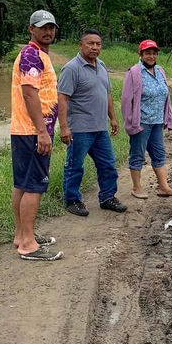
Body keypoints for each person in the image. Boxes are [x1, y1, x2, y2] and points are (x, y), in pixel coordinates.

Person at [10, 10, 64, 261]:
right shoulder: (31, 55)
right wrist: (42, 132)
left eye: (51, 27)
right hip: (33, 132)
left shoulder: (37, 54)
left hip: (24, 131)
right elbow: (30, 94)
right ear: (31, 29)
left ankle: (22, 235)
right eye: (42, 27)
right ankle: (28, 245)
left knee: (22, 184)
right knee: (34, 185)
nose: (48, 32)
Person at [57, 29, 127, 216]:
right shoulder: (71, 68)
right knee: (75, 166)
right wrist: (64, 128)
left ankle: (107, 197)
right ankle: (72, 200)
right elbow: (62, 98)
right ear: (80, 45)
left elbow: (107, 93)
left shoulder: (101, 65)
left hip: (100, 128)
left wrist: (113, 118)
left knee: (108, 165)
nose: (95, 47)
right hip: (80, 129)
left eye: (98, 44)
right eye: (90, 43)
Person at [120, 40, 172, 199]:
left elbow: (165, 95)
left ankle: (164, 187)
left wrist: (167, 117)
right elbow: (126, 100)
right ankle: (137, 188)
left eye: (154, 53)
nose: (151, 56)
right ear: (140, 54)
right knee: (138, 155)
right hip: (141, 123)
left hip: (157, 122)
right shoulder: (134, 73)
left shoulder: (160, 71)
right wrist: (130, 123)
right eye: (147, 53)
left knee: (159, 154)